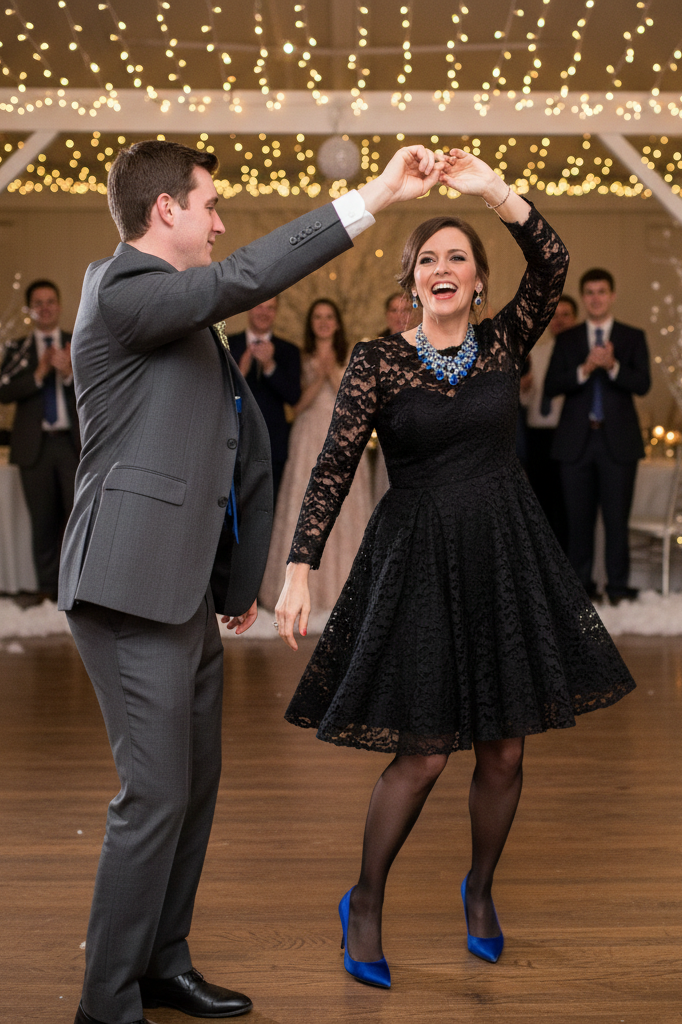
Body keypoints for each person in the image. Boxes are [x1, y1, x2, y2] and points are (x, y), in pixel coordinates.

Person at [57, 138, 442, 1024]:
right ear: (166, 213)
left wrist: (242, 578)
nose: (220, 220)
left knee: (192, 787)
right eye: (210, 204)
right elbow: (240, 276)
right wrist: (374, 198)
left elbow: (240, 447)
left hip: (182, 586)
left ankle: (162, 962)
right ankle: (105, 1003)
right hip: (125, 585)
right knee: (153, 794)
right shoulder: (123, 289)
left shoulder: (187, 318)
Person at [274, 152, 636, 989]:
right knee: (425, 753)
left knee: (504, 751)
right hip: (420, 560)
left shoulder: (507, 339)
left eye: (458, 259)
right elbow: (332, 466)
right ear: (412, 283)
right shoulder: (376, 361)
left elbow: (554, 262)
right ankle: (363, 901)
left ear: (477, 284)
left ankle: (480, 889)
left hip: (505, 554)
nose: (443, 269)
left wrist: (492, 193)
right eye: (428, 259)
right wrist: (299, 567)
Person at [259, 299, 374, 613]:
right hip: (309, 434)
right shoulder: (301, 356)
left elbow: (353, 400)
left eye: (329, 317)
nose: (323, 322)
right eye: (318, 317)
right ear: (312, 323)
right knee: (303, 503)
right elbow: (296, 405)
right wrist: (318, 375)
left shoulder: (353, 353)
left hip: (343, 435)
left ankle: (343, 590)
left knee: (345, 509)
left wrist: (332, 372)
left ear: (337, 323)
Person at [544, 269, 650, 604]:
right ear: (584, 296)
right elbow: (552, 386)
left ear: (612, 295)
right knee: (579, 524)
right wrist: (586, 368)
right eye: (589, 292)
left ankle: (617, 590)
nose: (595, 298)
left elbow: (643, 384)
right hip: (576, 444)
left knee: (617, 522)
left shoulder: (632, 336)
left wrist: (614, 366)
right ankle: (581, 592)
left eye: (601, 291)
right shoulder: (568, 339)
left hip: (618, 444)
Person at [0, 279, 80, 601]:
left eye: (51, 301)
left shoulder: (79, 342)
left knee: (76, 519)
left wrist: (68, 374)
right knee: (42, 522)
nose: (45, 307)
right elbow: (4, 392)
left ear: (59, 306)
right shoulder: (16, 350)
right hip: (35, 448)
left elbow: (102, 390)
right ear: (32, 310)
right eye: (39, 303)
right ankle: (48, 592)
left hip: (72, 445)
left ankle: (76, 589)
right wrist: (38, 373)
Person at [227, 297, 301, 502]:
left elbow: (294, 397)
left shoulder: (289, 350)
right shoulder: (228, 345)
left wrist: (270, 366)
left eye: (270, 308)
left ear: (276, 312)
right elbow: (221, 394)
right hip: (235, 440)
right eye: (259, 305)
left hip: (273, 444)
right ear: (249, 309)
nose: (264, 312)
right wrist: (241, 372)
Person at [519, 294, 578, 548]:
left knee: (566, 504)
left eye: (565, 315)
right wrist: (523, 387)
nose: (559, 321)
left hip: (567, 436)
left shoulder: (581, 355)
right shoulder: (536, 353)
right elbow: (524, 400)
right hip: (537, 436)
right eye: (554, 316)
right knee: (539, 503)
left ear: (575, 319)